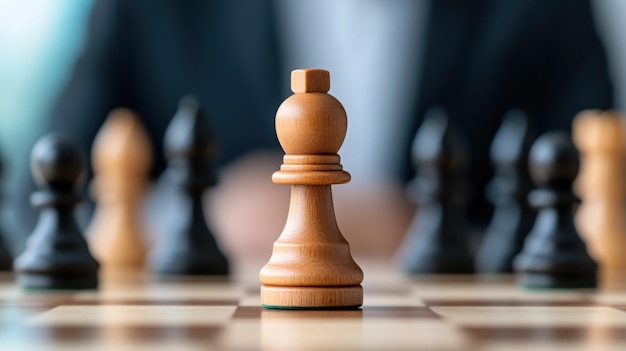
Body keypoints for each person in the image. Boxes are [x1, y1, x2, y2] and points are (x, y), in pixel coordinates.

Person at [15, 0, 614, 259]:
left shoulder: (543, 12)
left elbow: (601, 211)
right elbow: (40, 198)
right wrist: (193, 223)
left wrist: (440, 236)